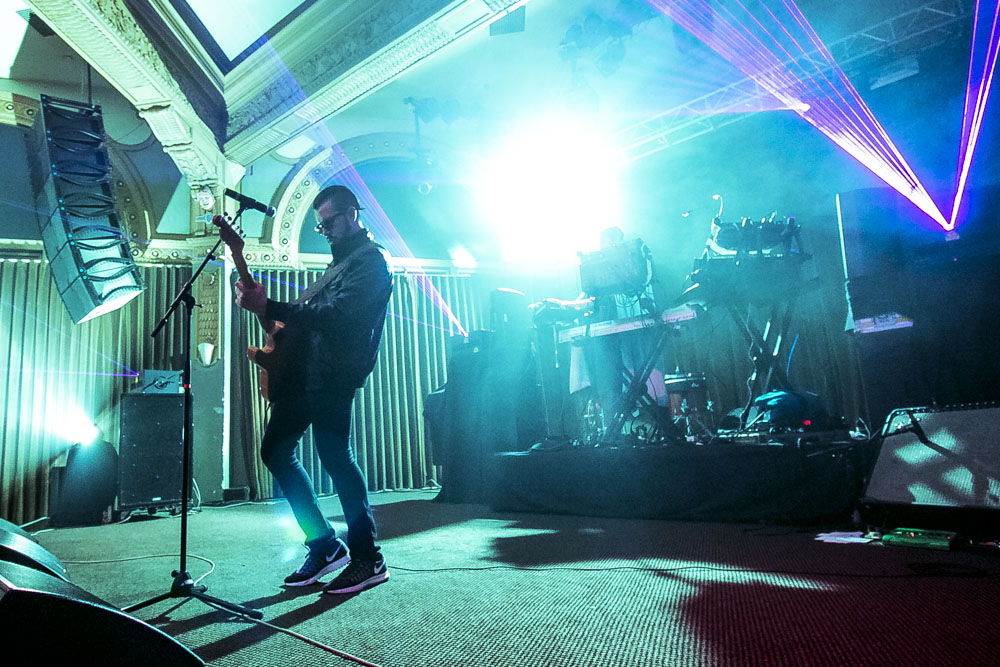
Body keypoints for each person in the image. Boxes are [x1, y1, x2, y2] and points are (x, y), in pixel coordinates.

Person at [234, 184, 392, 595]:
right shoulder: (338, 266)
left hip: (334, 376)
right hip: (307, 376)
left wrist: (270, 307)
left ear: (353, 213)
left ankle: (367, 557)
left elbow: (337, 316)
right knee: (275, 451)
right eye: (321, 227)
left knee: (337, 459)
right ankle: (324, 545)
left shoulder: (372, 263)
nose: (327, 231)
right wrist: (273, 318)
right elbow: (307, 320)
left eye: (331, 222)